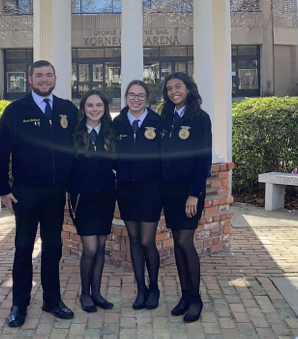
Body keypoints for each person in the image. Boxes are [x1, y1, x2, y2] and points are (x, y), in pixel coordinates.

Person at [0, 60, 78, 328]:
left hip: (56, 192)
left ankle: (52, 300)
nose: (44, 79)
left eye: (48, 75)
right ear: (30, 79)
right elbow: (0, 152)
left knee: (53, 248)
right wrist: (3, 190)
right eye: (38, 75)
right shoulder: (16, 111)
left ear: (55, 78)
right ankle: (19, 303)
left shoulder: (66, 109)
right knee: (23, 249)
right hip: (25, 192)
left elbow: (79, 147)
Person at [159, 72, 212, 323]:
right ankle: (184, 295)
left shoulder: (200, 119)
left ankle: (196, 298)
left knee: (185, 241)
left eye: (178, 87)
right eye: (169, 89)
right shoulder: (167, 118)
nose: (173, 92)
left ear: (188, 89)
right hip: (169, 191)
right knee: (176, 241)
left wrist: (195, 193)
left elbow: (203, 160)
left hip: (189, 191)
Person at [112, 79, 164, 309]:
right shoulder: (118, 123)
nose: (136, 99)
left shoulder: (157, 122)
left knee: (147, 240)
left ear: (147, 99)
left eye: (141, 95)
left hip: (151, 189)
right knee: (133, 239)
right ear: (125, 98)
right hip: (126, 189)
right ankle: (140, 289)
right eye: (132, 95)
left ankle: (154, 288)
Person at [69, 90, 117, 313]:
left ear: (105, 108)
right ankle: (85, 294)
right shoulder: (75, 134)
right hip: (83, 198)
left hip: (105, 196)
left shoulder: (111, 133)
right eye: (90, 105)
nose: (95, 109)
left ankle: (97, 293)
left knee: (100, 247)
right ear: (83, 108)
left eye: (99, 105)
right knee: (89, 248)